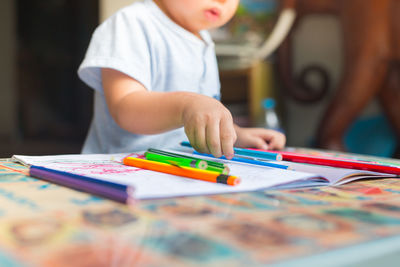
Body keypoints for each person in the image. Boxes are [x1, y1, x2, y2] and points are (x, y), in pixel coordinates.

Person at [78, 0, 286, 159]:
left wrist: (234, 134)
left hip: (181, 170)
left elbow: (201, 116)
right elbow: (125, 108)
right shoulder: (131, 24)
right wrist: (186, 106)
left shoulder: (203, 39)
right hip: (121, 169)